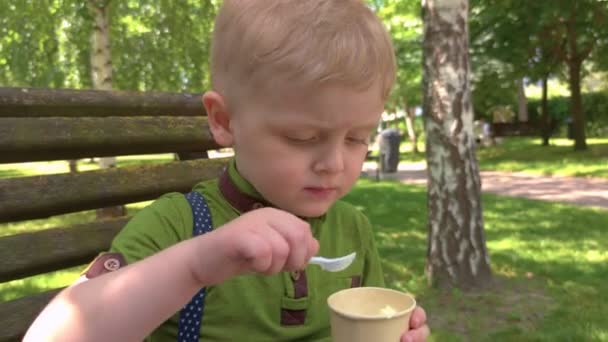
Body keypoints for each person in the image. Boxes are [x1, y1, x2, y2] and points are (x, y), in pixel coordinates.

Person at [24, 0, 430, 341]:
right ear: (223, 120)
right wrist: (196, 265)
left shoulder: (352, 228)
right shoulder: (181, 226)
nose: (334, 164)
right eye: (303, 137)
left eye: (358, 138)